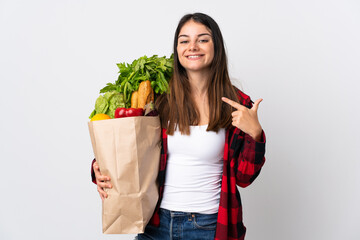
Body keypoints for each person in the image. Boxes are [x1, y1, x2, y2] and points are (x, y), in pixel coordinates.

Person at [91, 12, 266, 240]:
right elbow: (129, 146)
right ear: (177, 50)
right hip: (155, 223)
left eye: (202, 39)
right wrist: (99, 168)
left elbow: (244, 178)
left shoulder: (237, 105)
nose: (192, 46)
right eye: (184, 41)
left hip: (207, 226)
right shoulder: (159, 99)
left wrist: (255, 133)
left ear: (216, 47)